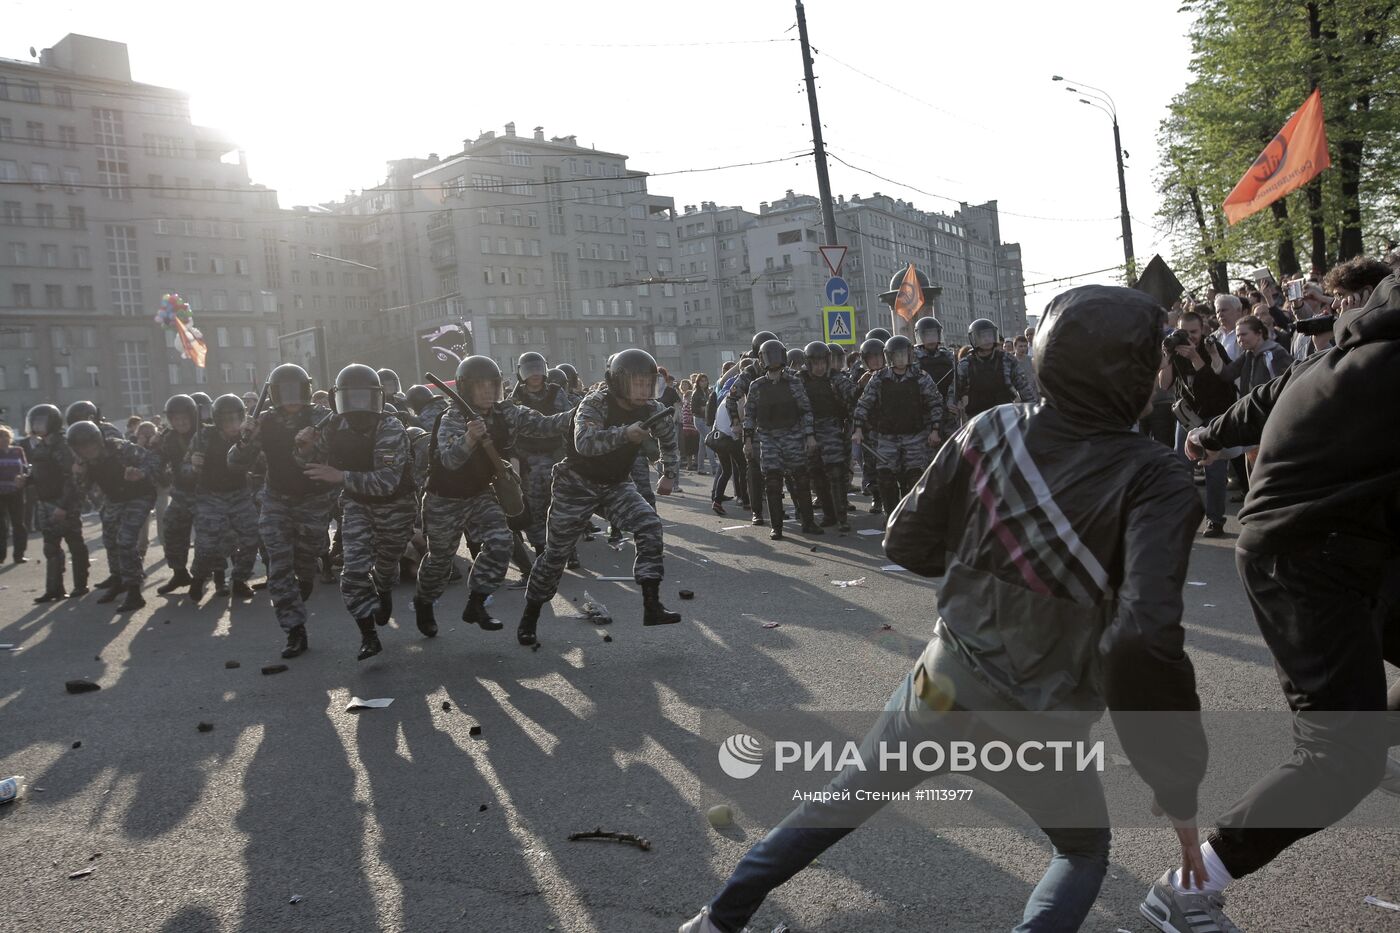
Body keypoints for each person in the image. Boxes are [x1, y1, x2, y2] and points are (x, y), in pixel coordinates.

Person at [682, 286, 1208, 933]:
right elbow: (1142, 640)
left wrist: (994, 561)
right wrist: (1175, 780)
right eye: (1155, 357)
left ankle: (716, 921)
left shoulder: (994, 427)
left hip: (940, 682)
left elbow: (905, 541)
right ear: (1127, 373)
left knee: (838, 802)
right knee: (1081, 850)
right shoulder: (1157, 476)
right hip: (1038, 719)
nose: (1162, 369)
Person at [1148, 271, 1400, 933]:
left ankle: (1376, 732)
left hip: (1349, 548)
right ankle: (1188, 885)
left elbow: (1264, 395)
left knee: (1358, 739)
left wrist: (1207, 434)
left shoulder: (1336, 357)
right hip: (1306, 563)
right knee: (1340, 759)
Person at [518, 348, 681, 646]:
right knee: (555, 555)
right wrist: (625, 434)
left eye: (648, 384)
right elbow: (584, 442)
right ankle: (530, 616)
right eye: (637, 384)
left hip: (615, 485)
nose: (644, 391)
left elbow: (669, 440)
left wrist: (669, 473)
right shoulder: (595, 403)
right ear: (618, 382)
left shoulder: (651, 409)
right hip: (575, 485)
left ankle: (652, 604)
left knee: (649, 525)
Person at [414, 355, 573, 637]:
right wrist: (469, 438)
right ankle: (424, 603)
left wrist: (582, 412)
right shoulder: (452, 418)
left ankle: (476, 603)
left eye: (492, 385)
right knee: (440, 560)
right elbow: (449, 461)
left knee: (501, 541)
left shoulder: (505, 412)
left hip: (479, 494)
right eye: (480, 386)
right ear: (466, 388)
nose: (488, 391)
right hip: (444, 498)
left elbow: (546, 424)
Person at [301, 365, 418, 661]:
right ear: (339, 399)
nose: (358, 406)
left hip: (396, 507)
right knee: (352, 572)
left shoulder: (390, 428)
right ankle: (368, 635)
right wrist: (304, 447)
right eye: (351, 398)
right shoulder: (333, 426)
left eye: (364, 398)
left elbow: (386, 482)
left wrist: (341, 476)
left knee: (388, 564)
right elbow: (312, 464)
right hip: (357, 505)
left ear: (377, 398)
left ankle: (384, 587)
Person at [229, 363, 334, 659]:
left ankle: (304, 580)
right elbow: (235, 463)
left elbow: (334, 456)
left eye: (295, 391)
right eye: (284, 392)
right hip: (276, 498)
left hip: (314, 500)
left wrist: (312, 445)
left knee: (306, 559)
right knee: (279, 563)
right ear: (275, 394)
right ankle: (294, 629)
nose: (291, 399)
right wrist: (245, 439)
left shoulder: (321, 418)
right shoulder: (264, 420)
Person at [1158, 308, 1237, 537]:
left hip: (1214, 413)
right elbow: (1164, 385)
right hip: (1188, 416)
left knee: (1214, 470)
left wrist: (1194, 357)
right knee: (1182, 467)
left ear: (1202, 330)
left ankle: (1215, 519)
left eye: (1193, 332)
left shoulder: (1212, 347)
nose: (1189, 337)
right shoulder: (1175, 349)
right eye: (1183, 332)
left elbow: (1214, 385)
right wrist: (1167, 358)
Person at [68, 420, 160, 612]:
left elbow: (153, 460)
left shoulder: (120, 448)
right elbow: (83, 490)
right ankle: (118, 579)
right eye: (82, 447)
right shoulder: (83, 462)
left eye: (90, 444)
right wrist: (79, 475)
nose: (88, 450)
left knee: (125, 540)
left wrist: (140, 472)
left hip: (139, 495)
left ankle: (134, 591)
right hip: (115, 498)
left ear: (98, 441)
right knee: (110, 539)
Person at [852, 334, 944, 520]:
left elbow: (935, 403)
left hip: (914, 435)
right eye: (896, 355)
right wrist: (858, 429)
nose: (901, 359)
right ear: (889, 357)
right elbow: (863, 404)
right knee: (886, 477)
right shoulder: (879, 378)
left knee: (914, 477)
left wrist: (935, 430)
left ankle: (913, 517)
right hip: (887, 436)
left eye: (903, 354)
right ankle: (891, 516)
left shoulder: (921, 377)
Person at [743, 339, 822, 540]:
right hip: (768, 438)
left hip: (792, 435)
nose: (774, 360)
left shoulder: (794, 382)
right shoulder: (757, 386)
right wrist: (748, 440)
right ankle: (776, 527)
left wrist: (810, 436)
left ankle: (808, 522)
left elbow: (805, 410)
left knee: (801, 479)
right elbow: (749, 415)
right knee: (772, 483)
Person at [186, 394, 258, 603]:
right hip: (210, 495)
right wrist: (192, 464)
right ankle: (199, 578)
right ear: (218, 420)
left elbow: (257, 462)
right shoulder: (203, 437)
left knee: (251, 537)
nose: (232, 424)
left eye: (236, 418)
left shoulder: (248, 436)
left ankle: (240, 580)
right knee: (207, 543)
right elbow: (182, 469)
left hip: (239, 493)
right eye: (227, 420)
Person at [508, 352, 574, 561]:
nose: (535, 374)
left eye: (538, 368)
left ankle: (569, 551)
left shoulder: (555, 392)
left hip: (555, 456)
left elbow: (570, 421)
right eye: (530, 370)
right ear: (521, 373)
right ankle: (539, 550)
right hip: (528, 461)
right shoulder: (514, 399)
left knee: (562, 506)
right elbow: (509, 433)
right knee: (535, 509)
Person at [27, 405, 88, 601]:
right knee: (50, 547)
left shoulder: (62, 446)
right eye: (34, 422)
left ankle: (80, 585)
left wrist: (63, 506)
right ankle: (54, 589)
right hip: (45, 503)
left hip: (62, 502)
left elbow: (72, 479)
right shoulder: (42, 445)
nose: (36, 426)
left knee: (74, 543)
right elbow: (41, 473)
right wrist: (26, 479)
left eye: (40, 422)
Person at [798, 341, 859, 530]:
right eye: (815, 363)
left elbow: (853, 394)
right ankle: (829, 514)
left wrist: (863, 385)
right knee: (816, 474)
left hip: (832, 428)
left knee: (835, 472)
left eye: (823, 363)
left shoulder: (836, 378)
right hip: (808, 431)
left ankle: (842, 517)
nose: (820, 367)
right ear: (808, 364)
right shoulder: (800, 380)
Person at [154, 395, 201, 595]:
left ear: (192, 416)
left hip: (205, 494)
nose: (180, 422)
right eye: (176, 419)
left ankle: (212, 577)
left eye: (184, 418)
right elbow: (158, 461)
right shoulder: (168, 438)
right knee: (172, 529)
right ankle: (179, 573)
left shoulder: (205, 434)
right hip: (181, 493)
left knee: (209, 537)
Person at [955, 318, 1038, 419]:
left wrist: (1033, 411)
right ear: (974, 338)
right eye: (983, 336)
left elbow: (1023, 386)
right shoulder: (965, 364)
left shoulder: (1007, 359)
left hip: (1005, 414)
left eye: (989, 335)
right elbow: (957, 391)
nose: (987, 339)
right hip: (977, 417)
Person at [913, 316, 959, 438]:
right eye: (927, 335)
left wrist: (951, 401)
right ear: (920, 336)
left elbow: (955, 380)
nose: (931, 339)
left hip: (948, 410)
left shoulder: (948, 355)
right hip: (925, 412)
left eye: (933, 334)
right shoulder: (913, 357)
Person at [0, 425, 29, 563]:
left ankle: (19, 554)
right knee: (1, 526)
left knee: (18, 524)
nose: (4, 439)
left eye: (6, 436)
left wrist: (24, 477)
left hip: (16, 491)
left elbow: (25, 467)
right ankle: (1, 556)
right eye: (1, 437)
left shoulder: (18, 450)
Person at [691, 373, 715, 475]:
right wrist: (703, 408)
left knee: (702, 445)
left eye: (705, 380)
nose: (704, 383)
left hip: (706, 420)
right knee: (709, 442)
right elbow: (693, 409)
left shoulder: (707, 392)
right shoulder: (696, 393)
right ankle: (714, 467)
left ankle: (700, 467)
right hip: (700, 420)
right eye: (702, 381)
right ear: (698, 382)